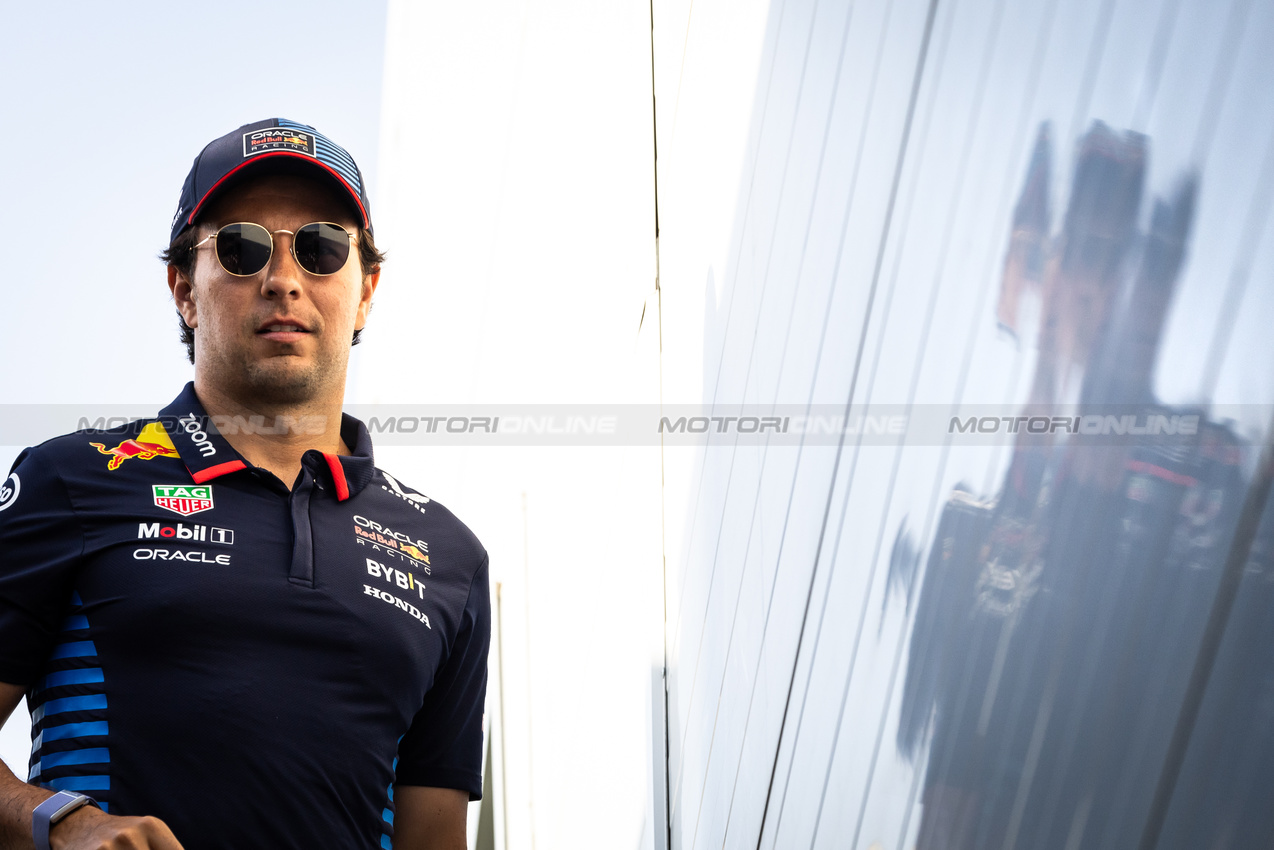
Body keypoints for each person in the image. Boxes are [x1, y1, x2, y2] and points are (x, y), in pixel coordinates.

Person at [0, 119, 491, 850]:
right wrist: (58, 823)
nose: (284, 279)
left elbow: (433, 834)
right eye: (242, 247)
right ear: (184, 290)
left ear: (365, 294)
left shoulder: (448, 556)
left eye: (323, 249)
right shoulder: (71, 478)